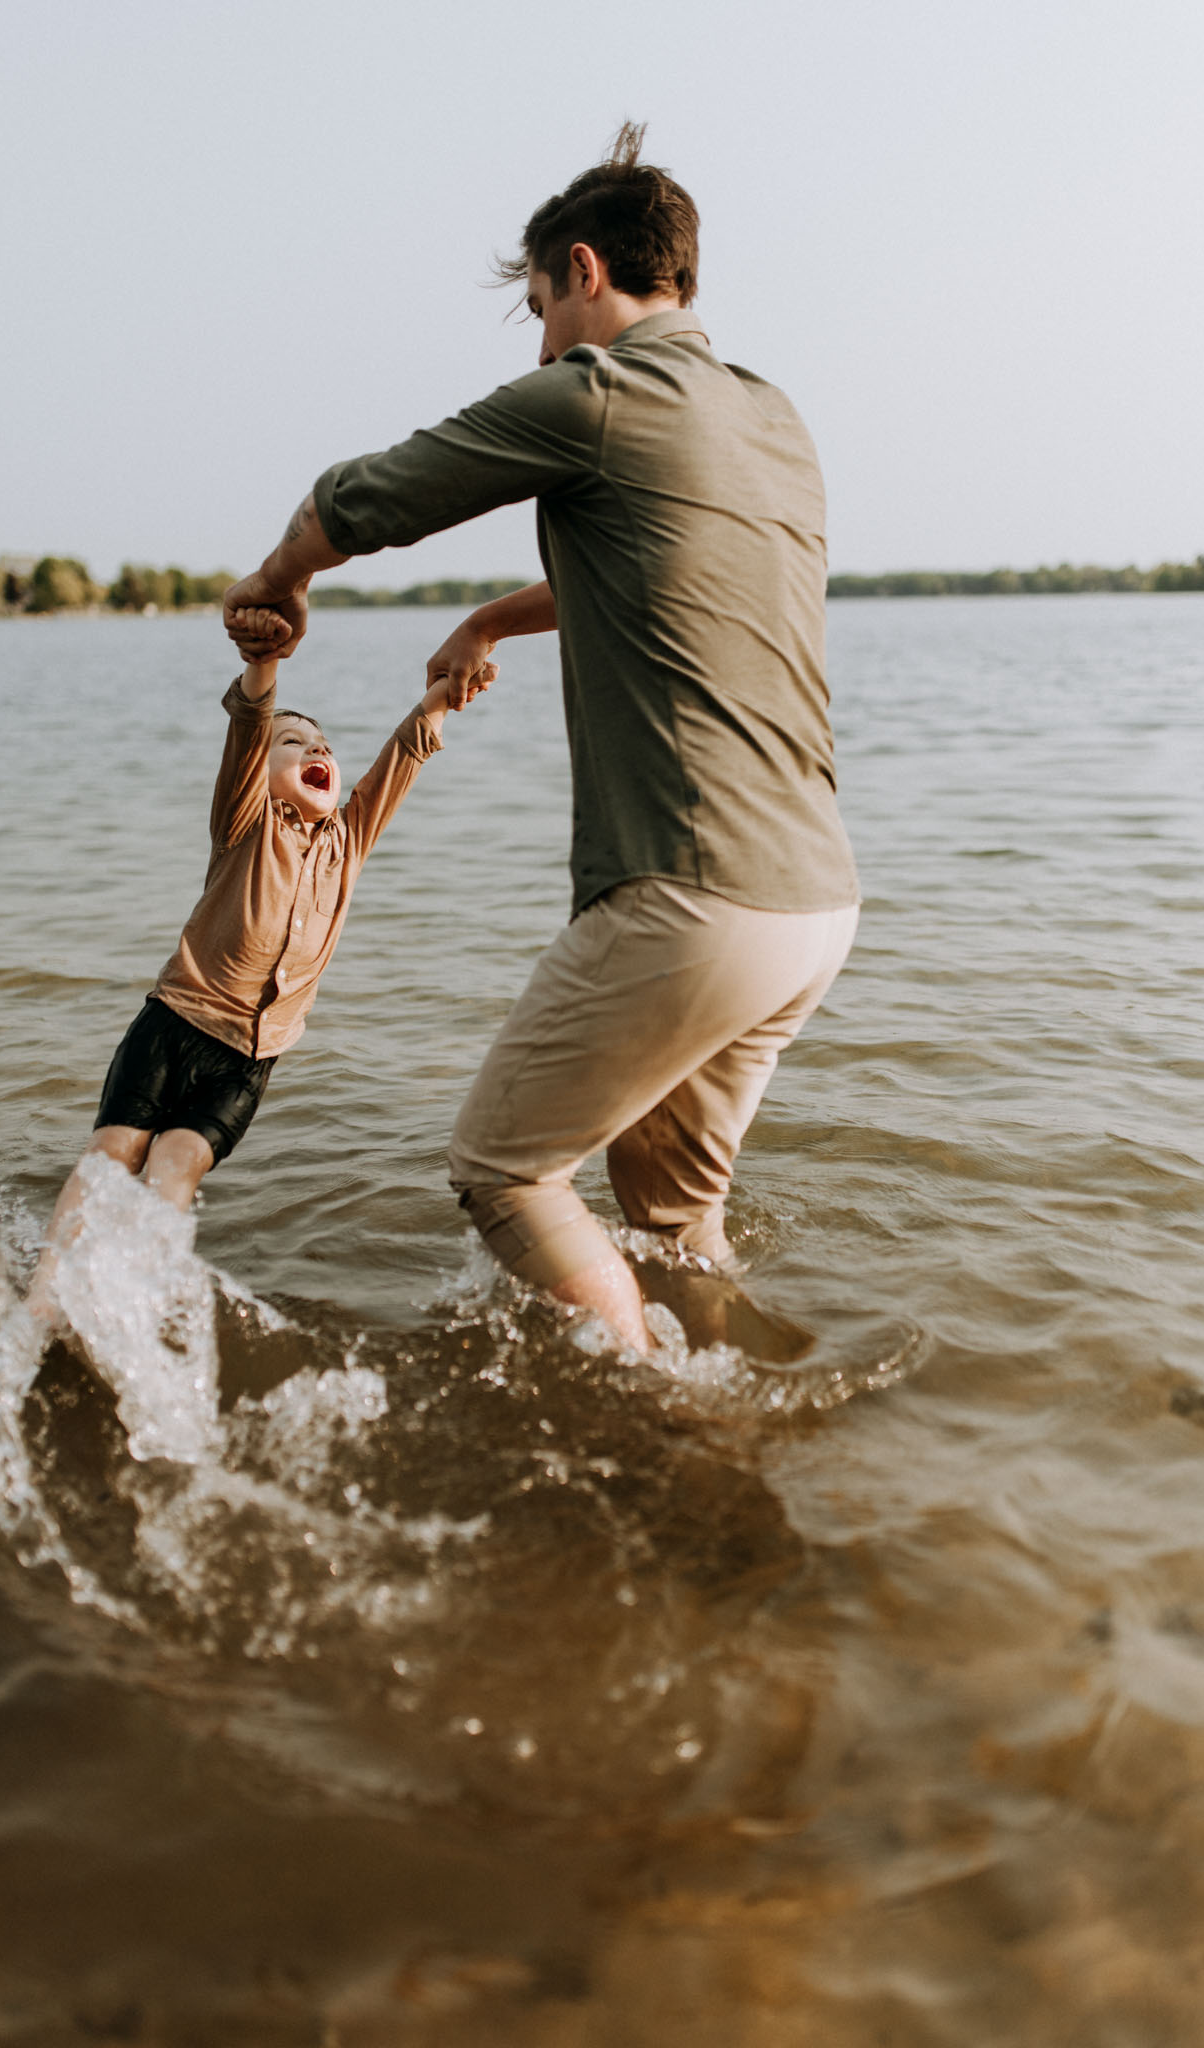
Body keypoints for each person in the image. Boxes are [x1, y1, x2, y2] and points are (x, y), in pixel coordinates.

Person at [222, 123, 860, 1354]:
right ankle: (731, 1421)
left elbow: (370, 495)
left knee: (504, 1169)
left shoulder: (601, 392)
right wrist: (493, 618)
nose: (541, 338)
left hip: (692, 887)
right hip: (813, 902)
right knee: (673, 1215)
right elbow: (660, 563)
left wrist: (279, 575)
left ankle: (655, 1420)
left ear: (581, 269)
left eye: (536, 307)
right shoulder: (770, 420)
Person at [29, 615, 492, 1320]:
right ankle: (44, 1298)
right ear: (265, 774)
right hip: (173, 1025)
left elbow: (402, 757)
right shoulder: (245, 823)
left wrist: (439, 698)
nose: (317, 750)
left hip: (248, 1060)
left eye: (325, 746)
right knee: (112, 1152)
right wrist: (264, 667)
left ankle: (132, 1304)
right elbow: (248, 728)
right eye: (295, 742)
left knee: (176, 1164)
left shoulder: (350, 839)